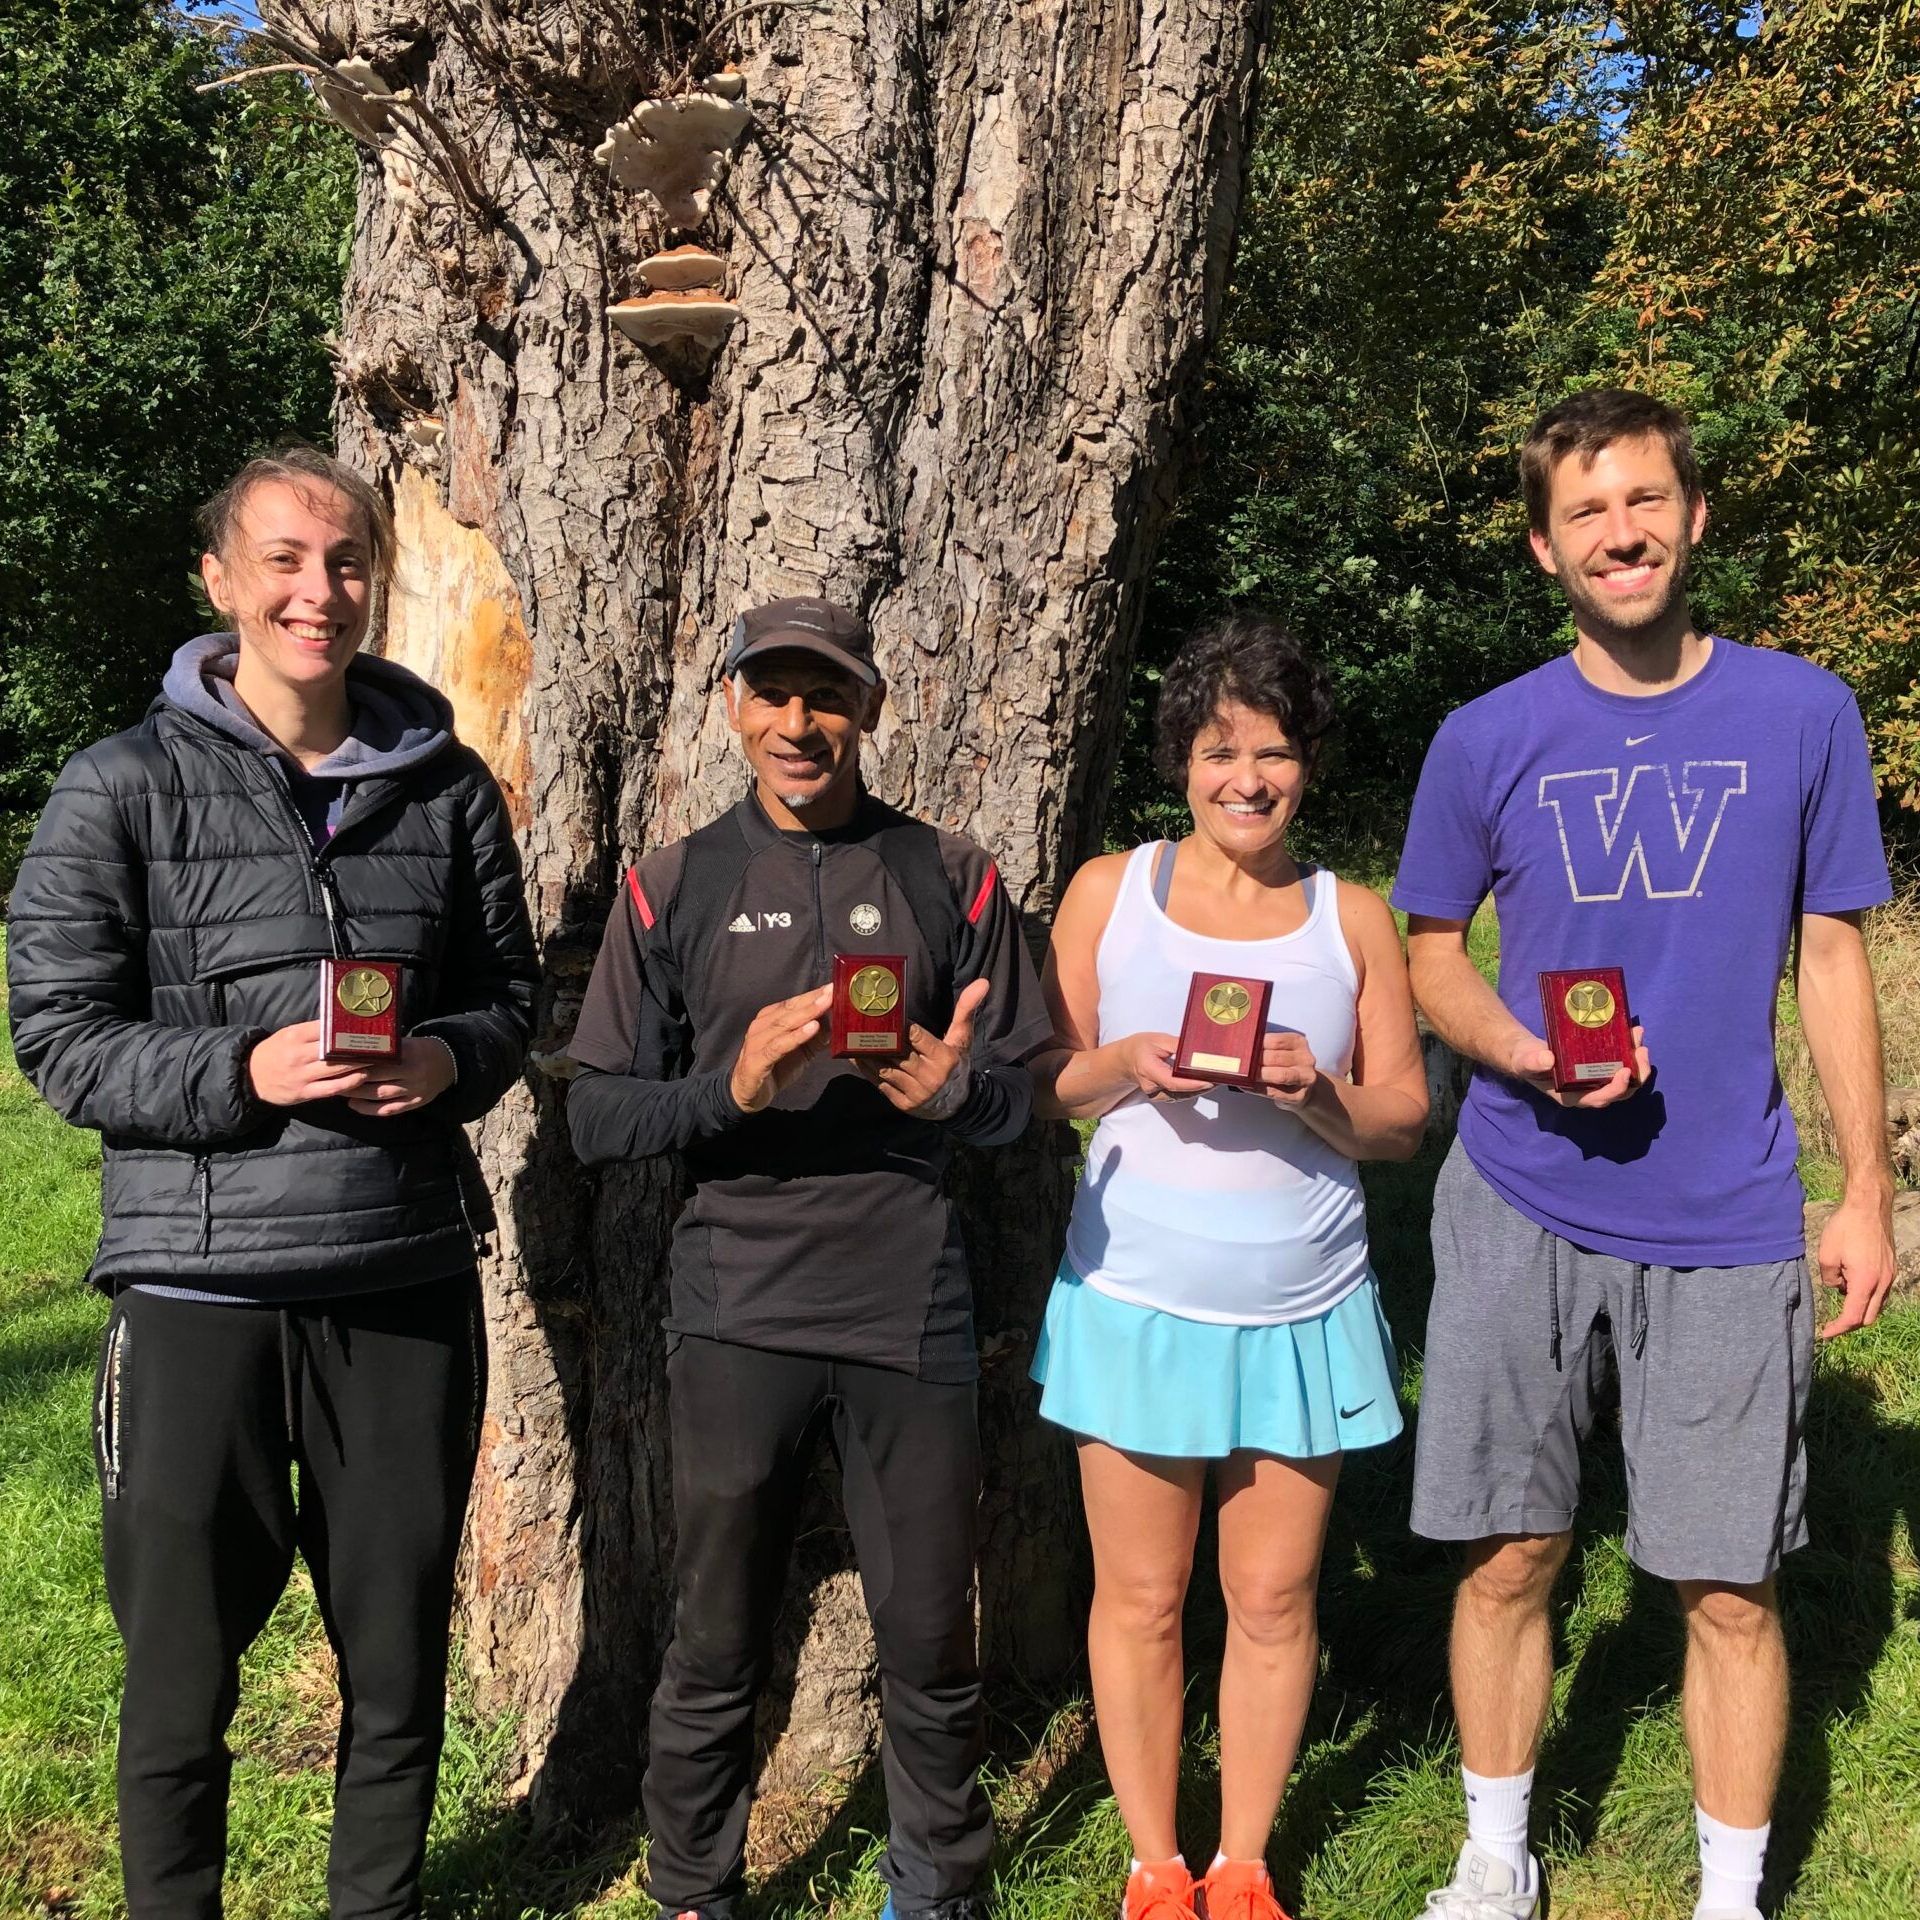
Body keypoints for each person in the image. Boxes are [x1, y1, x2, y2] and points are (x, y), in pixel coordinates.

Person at [6, 446, 538, 1919]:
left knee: (398, 1668)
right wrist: (241, 1070)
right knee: (179, 1684)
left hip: (399, 1281)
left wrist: (445, 1060)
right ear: (221, 582)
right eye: (286, 560)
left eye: (348, 560)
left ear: (378, 582)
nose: (320, 590)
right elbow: (58, 1037)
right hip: (198, 1293)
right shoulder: (120, 785)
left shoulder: (447, 790)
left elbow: (509, 999)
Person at [1392, 389, 1896, 1920]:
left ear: (1694, 516)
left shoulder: (1805, 714)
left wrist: (1869, 1188)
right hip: (1519, 1196)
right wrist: (1518, 1049)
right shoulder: (1486, 736)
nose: (1623, 533)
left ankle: (1729, 1896)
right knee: (1508, 1552)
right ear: (1545, 549)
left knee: (1729, 1581)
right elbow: (1430, 952)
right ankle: (1498, 1855)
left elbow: (1830, 956)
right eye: (1588, 513)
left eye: (1646, 500)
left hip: (1729, 1208)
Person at [565, 595, 1052, 1920]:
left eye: (826, 694)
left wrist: (961, 1097)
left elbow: (1035, 1089)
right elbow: (596, 1114)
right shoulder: (673, 884)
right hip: (738, 1309)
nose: (798, 723)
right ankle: (693, 1889)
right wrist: (727, 1092)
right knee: (715, 1636)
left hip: (910, 1304)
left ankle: (937, 1890)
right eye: (772, 693)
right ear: (731, 706)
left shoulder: (950, 873)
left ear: (870, 709)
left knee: (931, 1640)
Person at [1030, 614, 1429, 1920]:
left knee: (1272, 1596)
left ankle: (1244, 1862)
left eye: (1273, 753)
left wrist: (1321, 1094)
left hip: (1302, 1310)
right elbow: (1042, 1085)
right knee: (1143, 1599)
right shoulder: (1110, 892)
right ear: (1181, 762)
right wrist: (1121, 1064)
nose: (1246, 780)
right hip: (1135, 1303)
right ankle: (1155, 1865)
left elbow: (1402, 1121)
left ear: (1306, 762)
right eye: (1219, 751)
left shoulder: (1351, 919)